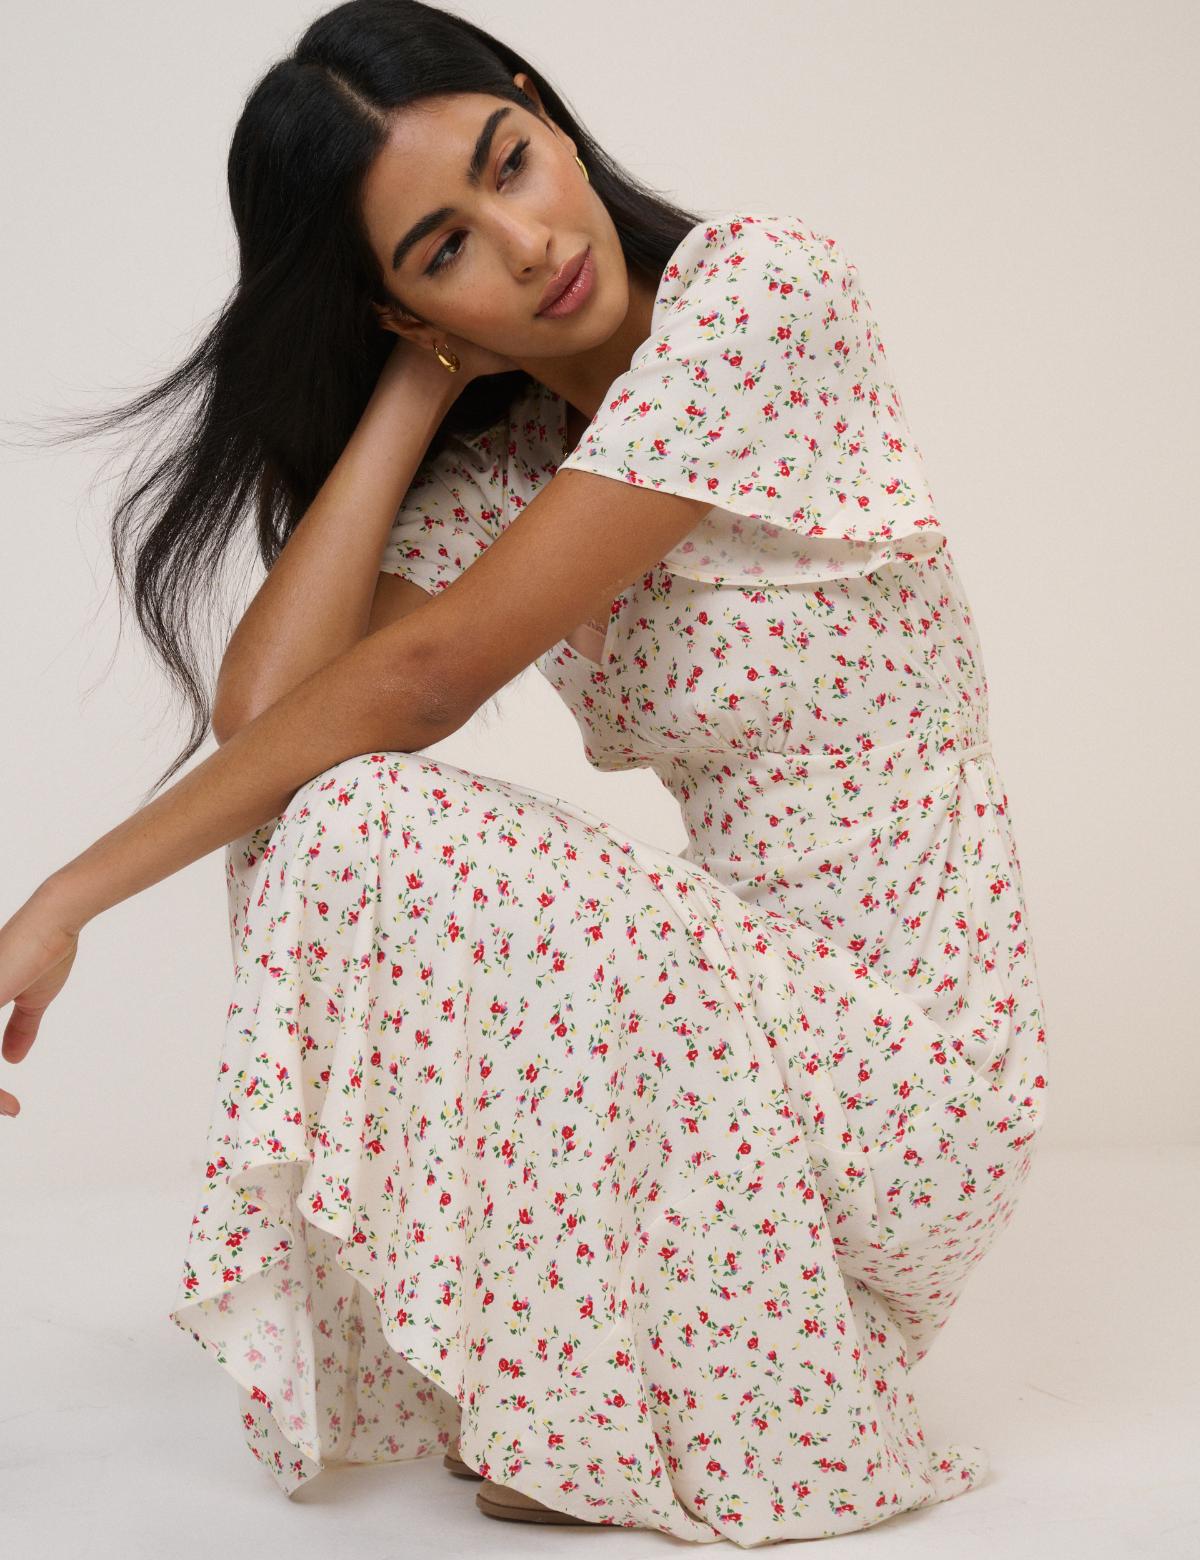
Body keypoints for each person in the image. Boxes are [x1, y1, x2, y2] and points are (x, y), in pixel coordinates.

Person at [0, 0, 1050, 1544]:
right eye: (445, 248)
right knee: (323, 808)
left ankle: (670, 1379)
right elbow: (271, 715)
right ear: (397, 302)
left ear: (540, 107)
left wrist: (66, 898)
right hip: (735, 1047)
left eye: (510, 161)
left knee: (366, 802)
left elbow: (416, 682)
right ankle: (600, 1380)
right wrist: (421, 382)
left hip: (906, 1072)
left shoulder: (758, 295)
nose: (529, 239)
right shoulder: (509, 466)